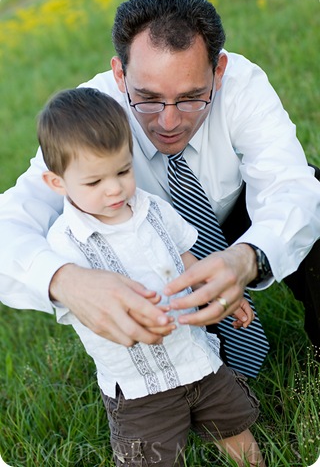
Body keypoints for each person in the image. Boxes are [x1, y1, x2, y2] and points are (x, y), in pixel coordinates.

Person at [0, 0, 319, 367]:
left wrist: (248, 257)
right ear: (120, 74)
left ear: (218, 71)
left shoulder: (242, 86)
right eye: (148, 98)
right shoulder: (89, 116)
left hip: (234, 215)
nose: (168, 122)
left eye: (191, 98)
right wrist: (66, 281)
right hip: (140, 249)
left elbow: (290, 185)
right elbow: (11, 220)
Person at [37, 86, 263, 467]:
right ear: (57, 183)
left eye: (123, 171)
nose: (114, 189)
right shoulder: (64, 244)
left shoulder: (153, 207)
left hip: (197, 358)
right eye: (94, 183)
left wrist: (227, 295)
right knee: (153, 457)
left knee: (234, 426)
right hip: (142, 388)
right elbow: (81, 307)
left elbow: (188, 258)